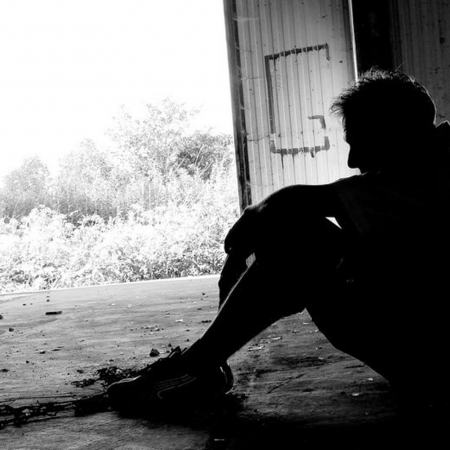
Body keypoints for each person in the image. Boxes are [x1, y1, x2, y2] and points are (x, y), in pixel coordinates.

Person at [107, 69, 450, 412]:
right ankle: (201, 364)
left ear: (396, 136)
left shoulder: (432, 174)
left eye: (360, 143)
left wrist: (239, 254)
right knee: (305, 239)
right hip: (424, 347)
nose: (352, 160)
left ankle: (196, 366)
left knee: (299, 240)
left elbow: (283, 204)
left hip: (432, 366)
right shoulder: (429, 162)